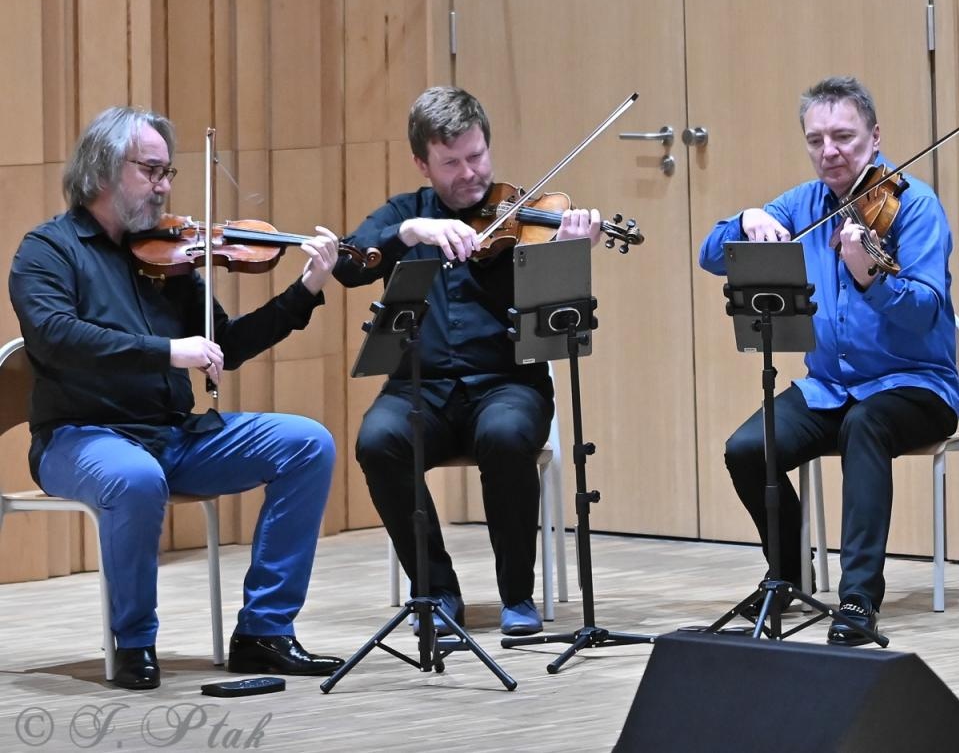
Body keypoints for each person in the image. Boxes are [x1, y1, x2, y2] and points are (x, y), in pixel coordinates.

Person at [9, 106, 345, 690]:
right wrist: (166, 350)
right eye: (152, 170)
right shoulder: (47, 251)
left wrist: (305, 289)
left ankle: (265, 631)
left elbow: (226, 346)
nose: (165, 186)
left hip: (173, 434)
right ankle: (134, 641)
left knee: (307, 444)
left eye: (169, 173)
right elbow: (56, 337)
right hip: (80, 437)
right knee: (136, 480)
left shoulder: (170, 259)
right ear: (105, 167)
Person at [700, 76, 959, 646]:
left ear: (874, 135)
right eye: (816, 140)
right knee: (748, 448)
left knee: (866, 425)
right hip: (830, 387)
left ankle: (857, 599)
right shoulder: (803, 203)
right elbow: (711, 255)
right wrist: (746, 221)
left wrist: (871, 278)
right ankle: (788, 575)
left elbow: (925, 314)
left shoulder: (914, 206)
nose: (830, 152)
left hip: (917, 387)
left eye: (843, 136)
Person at [335, 86, 602, 638]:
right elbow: (348, 263)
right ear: (422, 163)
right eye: (451, 163)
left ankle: (517, 596)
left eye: (476, 156)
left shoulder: (525, 216)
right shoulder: (405, 215)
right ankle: (436, 590)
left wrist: (570, 251)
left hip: (508, 383)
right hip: (420, 389)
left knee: (506, 435)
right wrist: (408, 233)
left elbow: (557, 313)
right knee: (377, 440)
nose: (469, 174)